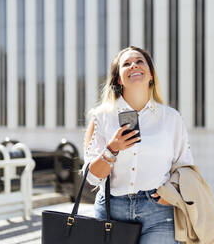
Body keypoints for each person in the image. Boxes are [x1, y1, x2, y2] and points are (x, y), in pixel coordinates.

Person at [83, 46, 194, 244]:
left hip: (159, 211)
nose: (134, 65)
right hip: (111, 210)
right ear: (118, 78)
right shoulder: (101, 117)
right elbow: (91, 178)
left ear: (150, 74)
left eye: (140, 61)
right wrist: (112, 149)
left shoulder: (171, 117)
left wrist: (172, 195)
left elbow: (185, 166)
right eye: (126, 64)